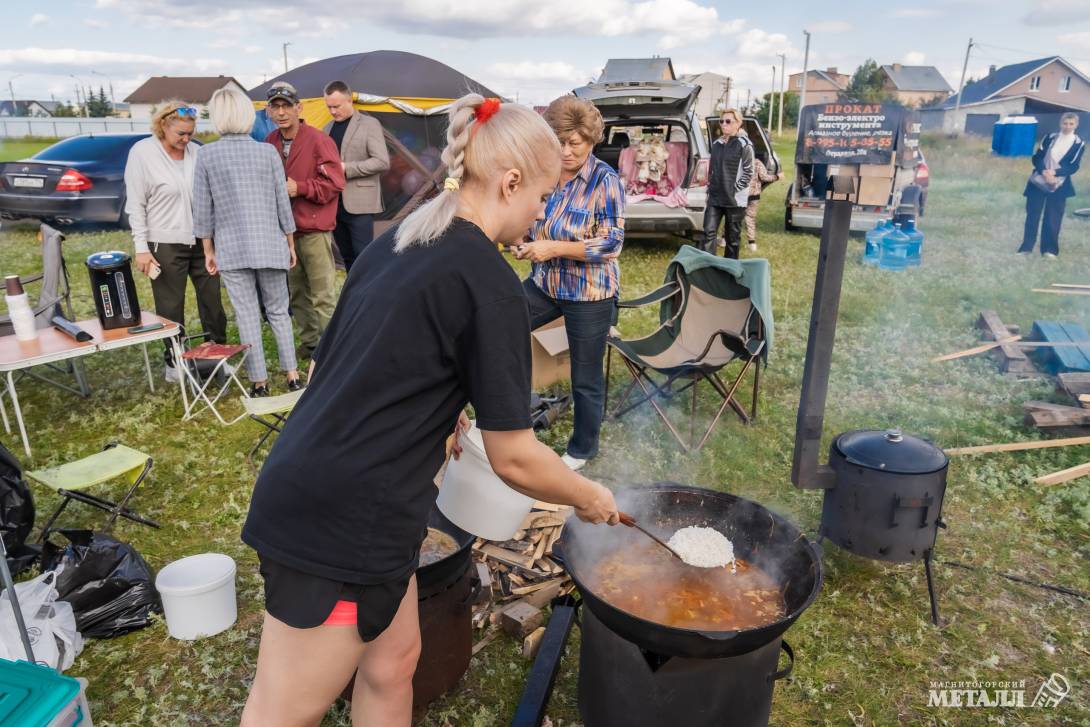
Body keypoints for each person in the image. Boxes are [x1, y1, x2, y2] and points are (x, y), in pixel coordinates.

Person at [239, 94, 620, 727]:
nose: (540, 212)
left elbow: (357, 363)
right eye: (541, 197)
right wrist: (587, 495)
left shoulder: (403, 239)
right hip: (339, 517)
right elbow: (515, 457)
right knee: (282, 711)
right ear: (511, 181)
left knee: (394, 664)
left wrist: (440, 412)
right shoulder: (489, 281)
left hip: (369, 502)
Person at [512, 95, 625, 472]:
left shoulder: (604, 180)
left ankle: (582, 449)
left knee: (585, 375)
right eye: (558, 141)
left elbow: (612, 243)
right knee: (499, 327)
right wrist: (522, 239)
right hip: (545, 284)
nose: (565, 151)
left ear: (591, 140)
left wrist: (553, 247)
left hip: (589, 293)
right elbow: (531, 217)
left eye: (574, 143)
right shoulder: (544, 172)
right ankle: (512, 415)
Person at [192, 87, 302, 397]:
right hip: (270, 243)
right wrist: (290, 243)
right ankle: (292, 374)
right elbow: (283, 203)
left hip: (231, 247)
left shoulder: (206, 154)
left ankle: (259, 382)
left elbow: (202, 209)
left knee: (247, 313)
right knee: (279, 311)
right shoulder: (267, 152)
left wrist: (208, 250)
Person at [124, 100, 227, 381]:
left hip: (202, 241)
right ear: (162, 127)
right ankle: (174, 363)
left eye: (190, 133)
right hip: (164, 243)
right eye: (180, 134)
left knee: (212, 302)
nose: (186, 139)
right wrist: (141, 248)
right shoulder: (142, 154)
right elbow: (136, 205)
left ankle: (217, 354)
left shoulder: (198, 153)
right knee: (171, 306)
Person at [264, 81, 345, 360]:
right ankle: (311, 345)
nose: (282, 112)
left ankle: (334, 349)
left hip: (314, 229)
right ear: (269, 112)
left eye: (287, 106)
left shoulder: (319, 140)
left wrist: (300, 188)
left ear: (298, 108)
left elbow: (335, 183)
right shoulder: (269, 143)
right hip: (285, 233)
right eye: (276, 107)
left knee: (323, 294)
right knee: (297, 294)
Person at [323, 80, 390, 271]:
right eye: (329, 107)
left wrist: (345, 168)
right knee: (347, 258)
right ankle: (353, 295)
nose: (333, 111)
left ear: (349, 100)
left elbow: (382, 161)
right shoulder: (327, 128)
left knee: (364, 258)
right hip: (334, 203)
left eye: (336, 106)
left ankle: (369, 296)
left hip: (360, 205)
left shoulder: (369, 124)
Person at [1019, 112, 1084, 259]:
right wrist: (1044, 172)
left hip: (1060, 184)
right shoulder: (1049, 138)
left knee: (1053, 217)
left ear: (1076, 125)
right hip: (1038, 181)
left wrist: (1054, 173)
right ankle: (1026, 248)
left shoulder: (1078, 143)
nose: (1067, 127)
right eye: (1065, 123)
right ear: (1060, 123)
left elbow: (1073, 166)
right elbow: (1037, 158)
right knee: (1033, 215)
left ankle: (1049, 251)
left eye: (1071, 124)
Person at [703, 108, 754, 259]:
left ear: (738, 123)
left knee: (732, 239)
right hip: (715, 197)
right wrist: (710, 188)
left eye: (728, 121)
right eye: (721, 121)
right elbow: (712, 170)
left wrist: (733, 189)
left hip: (734, 200)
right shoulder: (717, 144)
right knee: (708, 232)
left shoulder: (745, 145)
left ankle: (730, 271)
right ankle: (708, 268)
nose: (723, 124)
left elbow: (748, 172)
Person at [743, 153, 782, 252]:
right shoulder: (757, 162)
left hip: (740, 195)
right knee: (750, 219)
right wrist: (777, 177)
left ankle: (724, 239)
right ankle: (752, 244)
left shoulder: (739, 161)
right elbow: (765, 177)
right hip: (754, 196)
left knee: (733, 217)